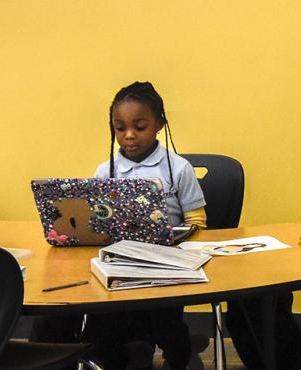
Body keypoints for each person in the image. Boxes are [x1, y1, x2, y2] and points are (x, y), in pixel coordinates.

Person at [32, 81, 209, 369]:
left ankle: (177, 352)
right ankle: (124, 354)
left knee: (165, 322)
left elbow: (197, 219)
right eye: (119, 127)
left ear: (159, 124)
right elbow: (95, 222)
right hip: (118, 262)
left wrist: (182, 242)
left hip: (165, 264)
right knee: (104, 326)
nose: (128, 135)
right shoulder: (106, 170)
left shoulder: (178, 168)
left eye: (139, 126)